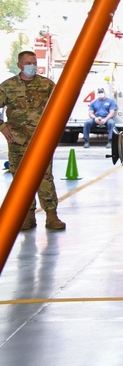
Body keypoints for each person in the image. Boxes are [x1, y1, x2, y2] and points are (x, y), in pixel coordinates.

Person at [0, 50, 65, 231]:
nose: (32, 66)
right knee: (20, 180)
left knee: (44, 178)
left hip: (41, 140)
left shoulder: (47, 85)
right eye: (28, 63)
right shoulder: (8, 86)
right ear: (20, 65)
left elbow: (61, 105)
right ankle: (26, 216)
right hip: (17, 141)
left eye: (34, 63)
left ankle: (51, 216)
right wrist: (2, 126)